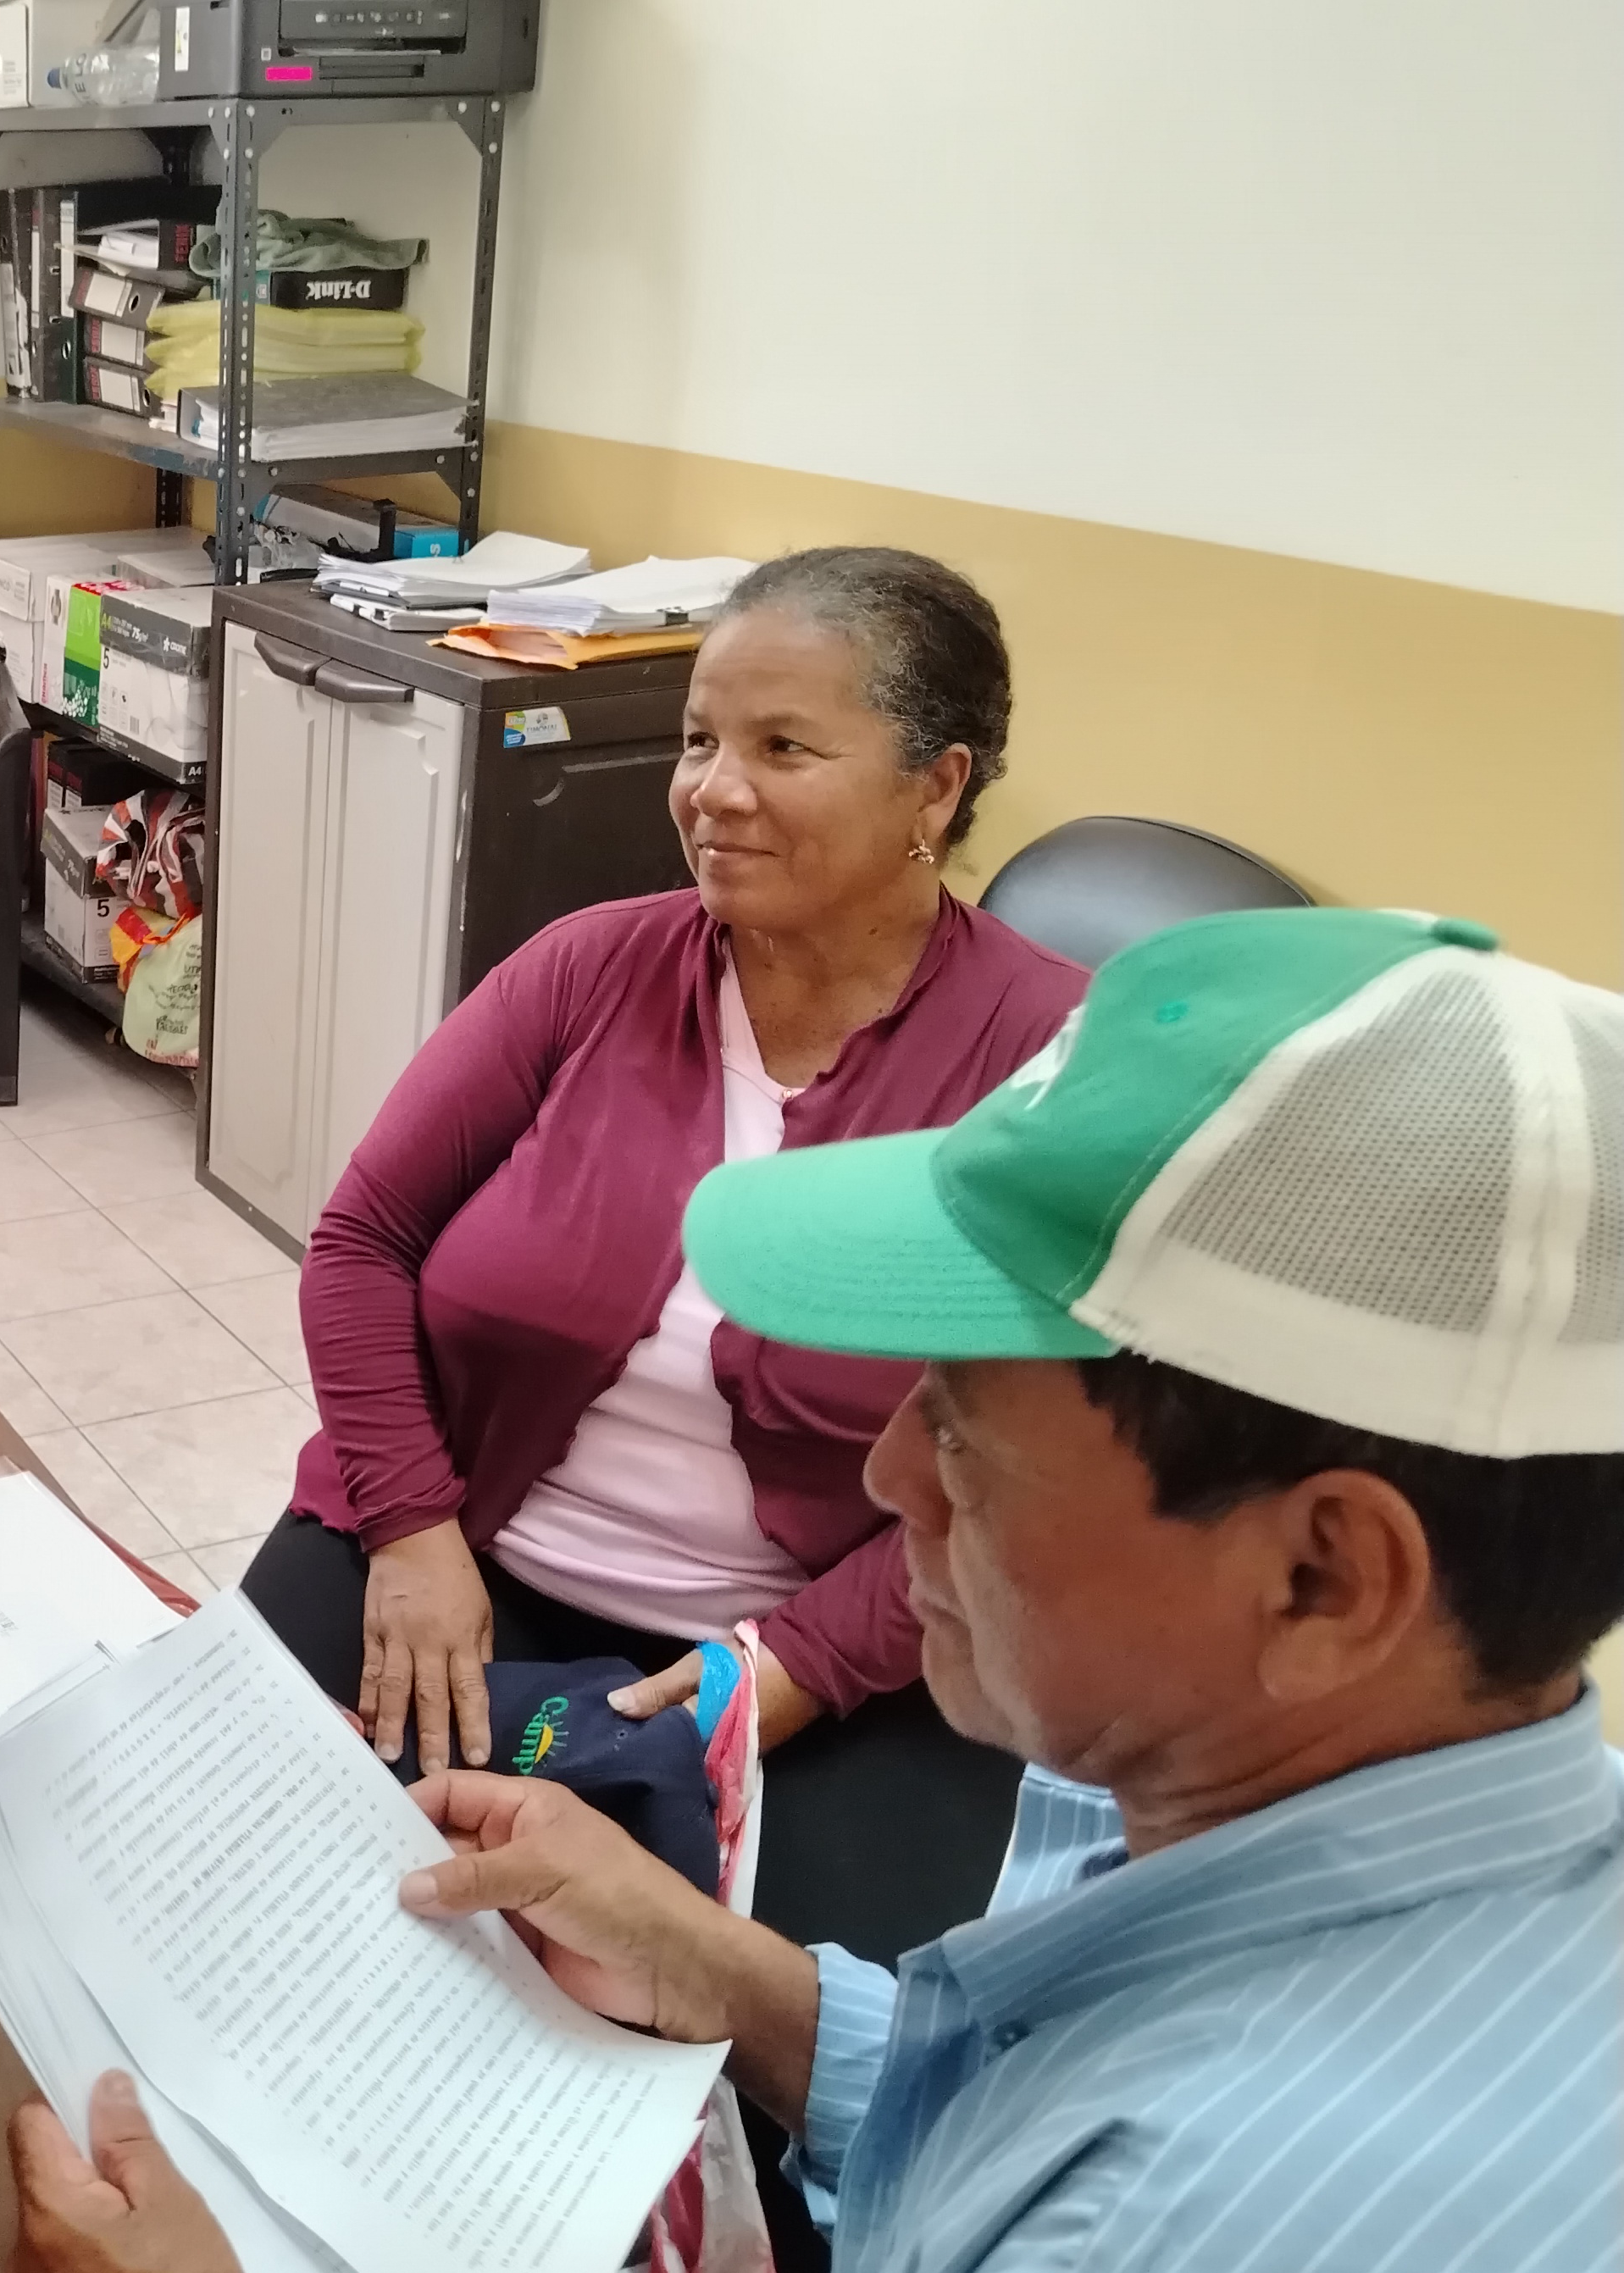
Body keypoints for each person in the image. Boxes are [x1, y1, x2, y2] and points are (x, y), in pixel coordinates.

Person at [8, 906, 1624, 2273]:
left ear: (1326, 1579)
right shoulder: (1329, 1790)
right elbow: (1042, 2076)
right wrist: (723, 1969)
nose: (887, 1471)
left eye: (967, 1436)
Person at [242, 546, 1088, 1963]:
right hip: (455, 1550)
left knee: (751, 2037)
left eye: (782, 748)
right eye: (700, 741)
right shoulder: (587, 970)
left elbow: (1047, 1475)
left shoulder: (1051, 1065)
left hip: (841, 1647)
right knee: (245, 1886)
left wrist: (794, 1665)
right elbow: (362, 1245)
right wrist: (409, 1528)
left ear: (935, 788)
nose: (713, 790)